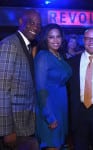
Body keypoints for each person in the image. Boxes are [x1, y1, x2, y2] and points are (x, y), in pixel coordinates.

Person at [0, 9, 41, 150]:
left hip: (25, 123)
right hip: (14, 126)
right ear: (21, 22)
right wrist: (7, 130)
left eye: (38, 24)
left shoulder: (28, 46)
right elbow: (2, 89)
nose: (36, 27)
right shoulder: (10, 44)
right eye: (31, 22)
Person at [34, 23, 72, 150]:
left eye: (58, 36)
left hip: (61, 106)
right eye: (51, 37)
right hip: (50, 108)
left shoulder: (59, 56)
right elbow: (40, 89)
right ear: (45, 39)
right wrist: (49, 116)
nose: (56, 40)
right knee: (52, 144)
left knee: (59, 144)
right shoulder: (43, 57)